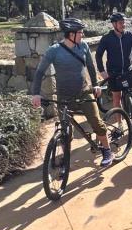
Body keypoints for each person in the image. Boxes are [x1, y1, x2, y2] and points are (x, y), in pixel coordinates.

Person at [32, 18, 113, 166]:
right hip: (64, 97)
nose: (82, 35)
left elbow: (90, 66)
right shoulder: (54, 51)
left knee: (96, 122)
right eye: (80, 32)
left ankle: (107, 150)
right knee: (65, 130)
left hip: (84, 92)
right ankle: (66, 156)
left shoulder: (83, 46)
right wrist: (36, 93)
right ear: (71, 34)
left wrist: (95, 85)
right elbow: (39, 72)